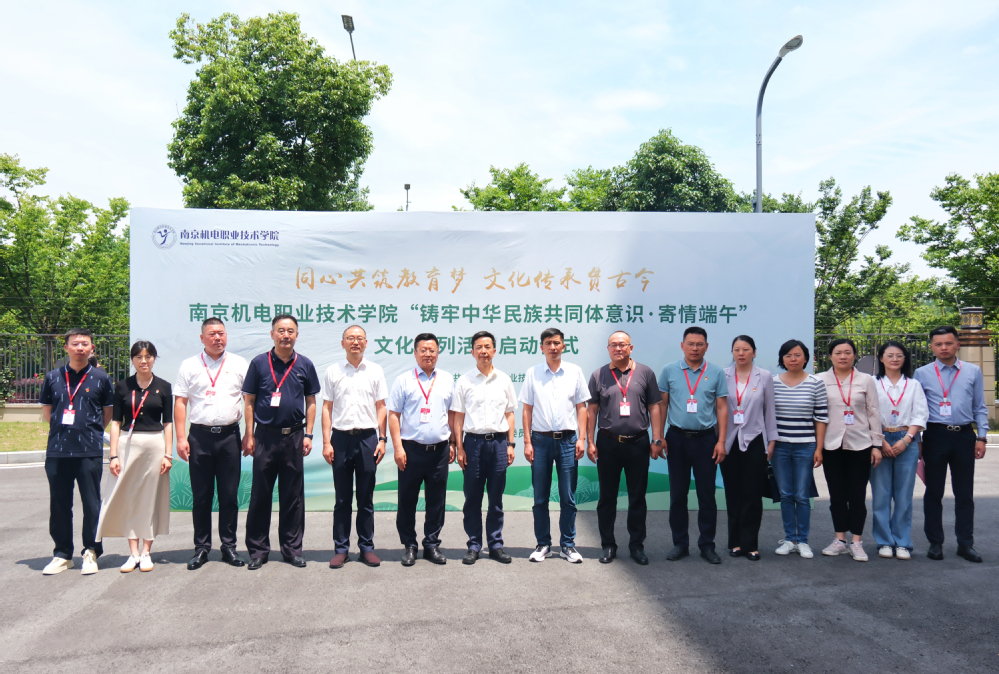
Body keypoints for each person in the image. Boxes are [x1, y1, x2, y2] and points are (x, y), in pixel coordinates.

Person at [241, 314, 320, 570]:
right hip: (264, 437)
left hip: (294, 437)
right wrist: (249, 434)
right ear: (272, 334)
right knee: (260, 495)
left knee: (292, 496)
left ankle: (292, 549)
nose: (286, 335)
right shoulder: (259, 363)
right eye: (281, 330)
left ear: (297, 335)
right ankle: (258, 550)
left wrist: (309, 434)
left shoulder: (305, 364)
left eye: (290, 331)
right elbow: (249, 401)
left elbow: (311, 402)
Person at [174, 317, 250, 570]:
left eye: (221, 333)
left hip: (229, 437)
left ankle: (229, 546)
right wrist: (181, 438)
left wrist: (249, 434)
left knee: (229, 495)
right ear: (202, 338)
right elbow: (181, 402)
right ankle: (201, 548)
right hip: (200, 437)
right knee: (201, 496)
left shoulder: (239, 364)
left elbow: (249, 401)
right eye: (212, 334)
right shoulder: (189, 365)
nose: (218, 338)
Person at [38, 328, 114, 575]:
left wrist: (89, 432)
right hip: (58, 451)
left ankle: (91, 551)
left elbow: (107, 414)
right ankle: (62, 554)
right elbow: (48, 412)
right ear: (66, 348)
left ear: (92, 348)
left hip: (89, 451)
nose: (80, 348)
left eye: (85, 343)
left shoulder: (101, 378)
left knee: (92, 504)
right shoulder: (52, 377)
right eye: (75, 343)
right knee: (59, 504)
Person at [586, 330, 664, 565]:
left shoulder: (645, 373)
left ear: (631, 348)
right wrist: (590, 441)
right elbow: (592, 410)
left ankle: (637, 546)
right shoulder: (598, 375)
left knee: (637, 497)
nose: (618, 348)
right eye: (613, 345)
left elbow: (654, 407)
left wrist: (657, 439)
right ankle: (608, 545)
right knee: (607, 498)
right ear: (608, 349)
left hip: (638, 443)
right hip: (608, 443)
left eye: (622, 344)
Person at [913, 325, 989, 563]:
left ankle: (965, 544)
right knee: (934, 491)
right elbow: (916, 410)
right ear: (931, 347)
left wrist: (982, 437)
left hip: (964, 436)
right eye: (938, 344)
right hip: (935, 435)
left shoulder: (973, 371)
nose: (943, 348)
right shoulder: (922, 373)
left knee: (964, 493)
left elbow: (980, 407)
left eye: (948, 343)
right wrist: (918, 441)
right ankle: (935, 543)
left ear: (958, 344)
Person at [96, 340, 173, 572]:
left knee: (150, 498)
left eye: (148, 356)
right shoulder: (122, 386)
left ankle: (147, 551)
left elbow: (168, 423)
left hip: (154, 446)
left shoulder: (164, 386)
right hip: (127, 445)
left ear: (154, 359)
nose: (143, 361)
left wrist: (168, 454)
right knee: (129, 496)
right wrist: (113, 456)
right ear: (132, 359)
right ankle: (133, 553)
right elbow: (115, 422)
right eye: (138, 357)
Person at [658, 327, 729, 564]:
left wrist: (721, 441)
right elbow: (662, 405)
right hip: (676, 439)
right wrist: (659, 437)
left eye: (699, 344)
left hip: (706, 440)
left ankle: (707, 545)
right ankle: (680, 544)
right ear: (682, 346)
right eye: (690, 344)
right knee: (678, 495)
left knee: (706, 495)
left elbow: (722, 408)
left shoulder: (716, 372)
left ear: (706, 347)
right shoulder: (669, 371)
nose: (695, 348)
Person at [320, 325, 388, 569]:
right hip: (340, 439)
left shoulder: (375, 370)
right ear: (343, 343)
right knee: (342, 499)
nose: (355, 342)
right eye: (350, 338)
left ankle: (366, 548)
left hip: (368, 439)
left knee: (366, 498)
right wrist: (326, 442)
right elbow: (327, 408)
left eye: (360, 338)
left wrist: (382, 439)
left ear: (366, 343)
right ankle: (341, 549)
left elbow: (381, 406)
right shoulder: (333, 371)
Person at [520, 328, 590, 563]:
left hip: (568, 441)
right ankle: (543, 544)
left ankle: (568, 545)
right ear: (541, 347)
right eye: (548, 343)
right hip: (540, 442)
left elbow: (581, 407)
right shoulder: (533, 373)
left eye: (557, 343)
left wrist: (581, 438)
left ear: (563, 346)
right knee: (540, 497)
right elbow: (527, 409)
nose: (553, 347)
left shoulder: (574, 372)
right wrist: (527, 441)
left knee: (568, 496)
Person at [388, 333, 456, 566]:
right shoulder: (404, 380)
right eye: (423, 350)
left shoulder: (447, 379)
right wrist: (398, 448)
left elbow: (452, 414)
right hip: (411, 450)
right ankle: (409, 545)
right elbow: (394, 415)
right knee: (407, 499)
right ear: (415, 353)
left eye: (432, 350)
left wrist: (453, 443)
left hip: (440, 451)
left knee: (436, 500)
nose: (428, 354)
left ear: (438, 353)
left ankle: (431, 544)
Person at [452, 331, 518, 565]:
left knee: (496, 497)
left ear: (494, 351)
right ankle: (473, 545)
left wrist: (510, 444)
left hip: (499, 443)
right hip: (473, 444)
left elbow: (510, 414)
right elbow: (458, 417)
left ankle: (496, 544)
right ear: (472, 352)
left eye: (487, 347)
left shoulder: (504, 380)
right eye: (479, 347)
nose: (483, 351)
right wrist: (460, 447)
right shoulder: (464, 381)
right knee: (472, 497)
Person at [817, 338, 883, 562]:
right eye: (838, 352)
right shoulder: (820, 380)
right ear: (830, 356)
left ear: (855, 355)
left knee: (857, 495)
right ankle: (840, 540)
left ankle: (856, 542)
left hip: (860, 444)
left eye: (847, 352)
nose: (843, 356)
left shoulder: (866, 380)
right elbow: (816, 415)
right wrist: (817, 447)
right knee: (836, 495)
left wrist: (877, 445)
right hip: (831, 445)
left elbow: (873, 412)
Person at [720, 335, 778, 561]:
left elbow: (769, 410)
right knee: (733, 493)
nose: (741, 353)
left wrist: (771, 440)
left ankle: (751, 544)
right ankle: (735, 542)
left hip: (755, 439)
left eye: (745, 349)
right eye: (736, 349)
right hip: (729, 441)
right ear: (732, 352)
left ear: (754, 352)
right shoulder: (722, 375)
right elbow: (718, 409)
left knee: (752, 494)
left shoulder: (764, 376)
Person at [771, 339, 828, 559]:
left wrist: (819, 448)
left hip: (805, 446)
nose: (793, 359)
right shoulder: (772, 382)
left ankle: (803, 540)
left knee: (802, 495)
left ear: (805, 358)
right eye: (788, 355)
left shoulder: (815, 383)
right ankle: (790, 539)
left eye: (797, 355)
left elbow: (821, 418)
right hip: (780, 447)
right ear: (782, 359)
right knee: (785, 494)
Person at [871, 341, 927, 560]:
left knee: (904, 495)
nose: (894, 359)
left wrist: (907, 440)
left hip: (907, 439)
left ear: (905, 359)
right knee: (880, 495)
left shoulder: (913, 385)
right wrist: (880, 441)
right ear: (881, 358)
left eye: (899, 355)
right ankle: (884, 541)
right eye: (890, 355)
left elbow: (920, 414)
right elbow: (868, 413)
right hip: (880, 439)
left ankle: (903, 542)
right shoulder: (872, 383)